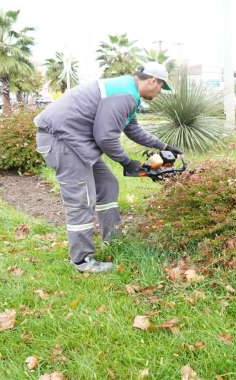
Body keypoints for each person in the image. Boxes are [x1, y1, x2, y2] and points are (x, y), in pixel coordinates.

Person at [33, 62, 182, 273]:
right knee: (82, 200)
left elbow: (133, 129)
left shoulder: (127, 91)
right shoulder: (125, 95)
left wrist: (164, 146)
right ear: (152, 80)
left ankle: (112, 239)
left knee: (107, 184)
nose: (160, 92)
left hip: (76, 142)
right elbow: (105, 137)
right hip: (62, 140)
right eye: (161, 87)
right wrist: (127, 162)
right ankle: (82, 261)